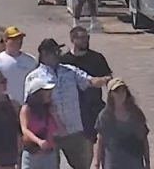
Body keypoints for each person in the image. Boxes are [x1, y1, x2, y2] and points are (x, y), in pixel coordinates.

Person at [25, 38, 111, 169]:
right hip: (49, 133)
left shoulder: (70, 70)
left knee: (83, 165)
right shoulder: (34, 77)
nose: (59, 53)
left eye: (58, 50)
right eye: (55, 51)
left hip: (73, 130)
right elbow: (29, 107)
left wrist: (106, 80)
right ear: (44, 54)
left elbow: (89, 81)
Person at [60, 26, 113, 146]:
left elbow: (109, 79)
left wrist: (101, 81)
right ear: (73, 40)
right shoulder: (64, 61)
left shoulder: (97, 58)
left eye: (87, 37)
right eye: (82, 38)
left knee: (100, 140)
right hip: (73, 109)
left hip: (94, 106)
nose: (86, 41)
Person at [93, 79, 150, 169]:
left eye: (123, 91)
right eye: (117, 91)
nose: (121, 94)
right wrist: (97, 164)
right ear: (111, 94)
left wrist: (147, 162)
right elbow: (101, 142)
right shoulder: (105, 116)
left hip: (134, 163)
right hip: (113, 164)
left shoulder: (136, 113)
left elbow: (144, 139)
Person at [0, 26, 38, 106]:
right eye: (14, 39)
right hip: (3, 106)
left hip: (25, 106)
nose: (18, 41)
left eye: (20, 39)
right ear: (6, 41)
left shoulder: (31, 61)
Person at [20, 77, 60, 169]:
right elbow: (24, 130)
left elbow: (59, 129)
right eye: (46, 91)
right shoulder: (27, 109)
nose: (50, 93)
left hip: (49, 153)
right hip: (32, 153)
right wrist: (38, 141)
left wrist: (55, 114)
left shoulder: (49, 109)